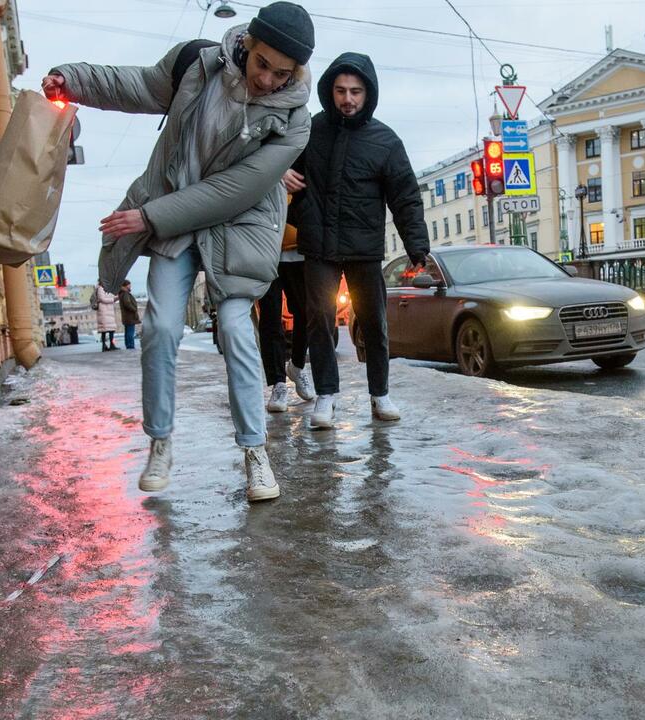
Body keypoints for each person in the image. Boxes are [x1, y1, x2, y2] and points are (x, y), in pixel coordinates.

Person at [43, 2, 315, 500]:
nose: (268, 80)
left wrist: (148, 217)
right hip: (175, 216)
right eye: (262, 64)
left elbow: (237, 189)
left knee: (235, 328)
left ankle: (256, 453)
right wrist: (73, 79)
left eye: (282, 73)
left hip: (240, 224)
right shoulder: (198, 65)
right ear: (247, 45)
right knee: (161, 327)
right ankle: (160, 441)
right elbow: (137, 85)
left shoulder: (296, 119)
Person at [285, 53, 429, 430]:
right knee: (319, 319)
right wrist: (282, 174)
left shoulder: (385, 140)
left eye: (355, 91)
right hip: (318, 244)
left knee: (373, 321)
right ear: (329, 92)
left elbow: (406, 196)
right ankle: (326, 397)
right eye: (340, 91)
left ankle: (380, 394)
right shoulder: (309, 131)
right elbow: (274, 159)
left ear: (368, 93)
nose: (348, 98)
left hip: (364, 246)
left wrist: (417, 248)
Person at [258, 199, 315, 413]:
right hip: (266, 249)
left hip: (299, 248)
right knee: (270, 316)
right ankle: (278, 384)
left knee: (306, 312)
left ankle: (297, 366)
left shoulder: (301, 166)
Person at [94, 284, 119, 351]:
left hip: (109, 311)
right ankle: (104, 345)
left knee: (111, 329)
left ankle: (111, 344)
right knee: (104, 329)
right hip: (104, 311)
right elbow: (102, 299)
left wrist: (116, 297)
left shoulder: (108, 288)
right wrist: (112, 299)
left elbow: (111, 298)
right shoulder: (100, 288)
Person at [118, 280, 141, 350]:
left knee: (128, 331)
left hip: (126, 316)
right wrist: (134, 309)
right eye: (129, 285)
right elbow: (127, 303)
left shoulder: (122, 293)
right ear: (126, 285)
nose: (130, 286)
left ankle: (128, 345)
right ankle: (130, 345)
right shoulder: (125, 293)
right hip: (129, 316)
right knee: (130, 332)